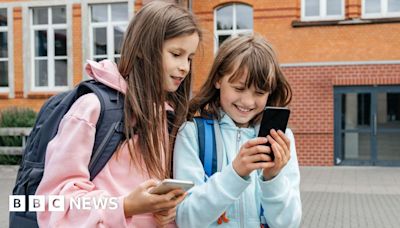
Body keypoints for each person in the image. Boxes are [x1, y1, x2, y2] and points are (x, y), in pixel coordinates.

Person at [36, 1, 201, 227]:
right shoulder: (92, 108)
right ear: (143, 49)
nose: (185, 67)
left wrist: (164, 212)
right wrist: (125, 206)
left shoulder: (169, 118)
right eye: (176, 54)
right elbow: (55, 203)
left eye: (189, 57)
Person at [173, 34, 302, 227]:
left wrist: (273, 178)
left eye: (259, 93)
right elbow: (186, 219)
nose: (248, 102)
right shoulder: (192, 134)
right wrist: (235, 173)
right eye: (239, 88)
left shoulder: (282, 139)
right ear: (218, 80)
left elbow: (289, 223)